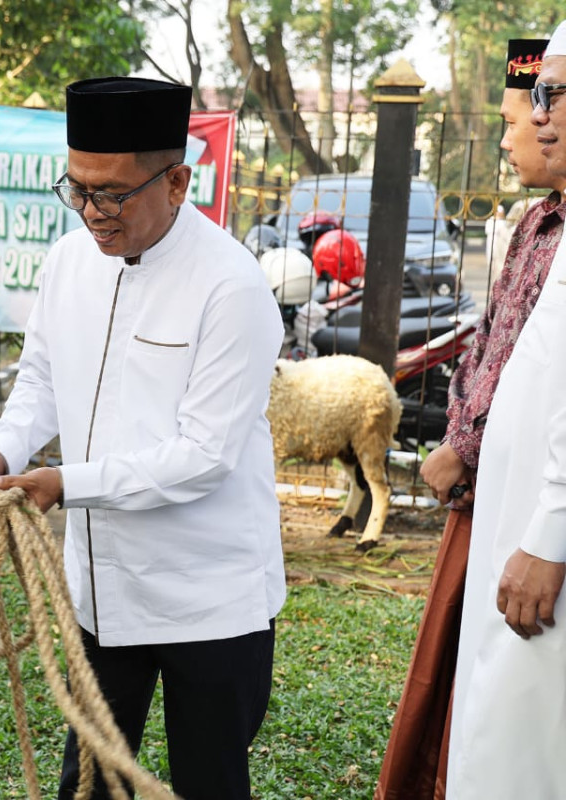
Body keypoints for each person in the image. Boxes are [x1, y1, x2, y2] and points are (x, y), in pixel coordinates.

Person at [0, 77, 285, 800]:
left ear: (178, 181)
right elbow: (41, 384)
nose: (92, 212)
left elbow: (203, 457)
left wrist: (64, 485)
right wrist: (2, 452)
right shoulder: (67, 263)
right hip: (99, 592)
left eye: (112, 193)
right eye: (78, 188)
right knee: (84, 784)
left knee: (208, 784)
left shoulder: (231, 287)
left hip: (208, 598)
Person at [375, 37, 566, 800]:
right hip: (500, 501)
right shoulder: (531, 227)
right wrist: (460, 435)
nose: (528, 131)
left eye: (525, 112)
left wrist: (471, 452)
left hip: (529, 514)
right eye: (535, 105)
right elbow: (491, 348)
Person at [444, 24, 566, 799]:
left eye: (553, 95)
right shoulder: (538, 222)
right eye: (541, 96)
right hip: (513, 521)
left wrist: (549, 533)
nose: (541, 113)